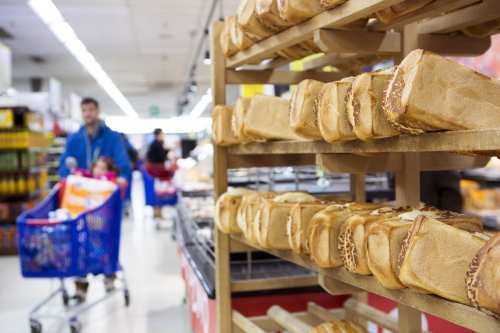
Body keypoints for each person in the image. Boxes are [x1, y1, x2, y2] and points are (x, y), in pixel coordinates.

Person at [73, 156, 120, 302]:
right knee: (81, 256)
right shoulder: (87, 182)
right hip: (85, 228)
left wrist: (105, 178)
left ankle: (109, 277)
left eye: (103, 168)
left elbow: (113, 179)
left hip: (103, 229)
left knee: (106, 253)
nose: (99, 170)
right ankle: (80, 288)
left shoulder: (108, 183)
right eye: (97, 167)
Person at [59, 97, 131, 185]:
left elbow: (122, 160)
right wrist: (66, 179)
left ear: (98, 111)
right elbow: (65, 162)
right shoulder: (73, 139)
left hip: (105, 188)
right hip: (79, 189)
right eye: (84, 110)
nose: (87, 114)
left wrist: (122, 177)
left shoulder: (113, 137)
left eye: (91, 110)